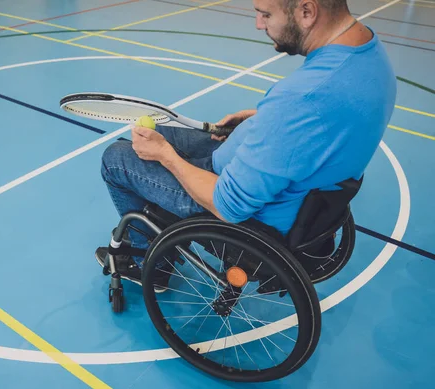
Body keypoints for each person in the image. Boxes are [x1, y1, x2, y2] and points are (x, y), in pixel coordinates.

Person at [95, 0, 397, 290]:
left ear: (307, 11)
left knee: (117, 159)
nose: (258, 24)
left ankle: (153, 265)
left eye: (265, 14)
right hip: (287, 181)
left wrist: (166, 156)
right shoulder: (368, 52)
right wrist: (263, 120)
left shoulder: (299, 100)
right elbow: (326, 118)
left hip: (252, 213)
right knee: (161, 127)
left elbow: (229, 206)